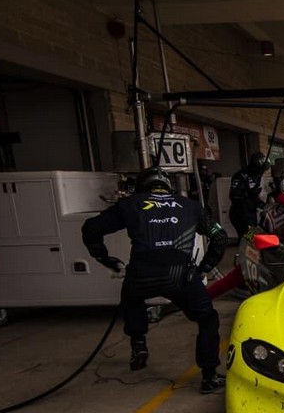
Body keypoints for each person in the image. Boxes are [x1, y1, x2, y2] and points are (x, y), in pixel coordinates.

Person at [82, 167, 229, 394]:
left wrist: (108, 260)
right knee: (208, 320)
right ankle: (209, 377)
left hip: (142, 275)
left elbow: (90, 228)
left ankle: (138, 342)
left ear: (142, 187)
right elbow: (219, 237)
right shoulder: (190, 206)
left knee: (131, 296)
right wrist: (204, 268)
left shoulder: (131, 203)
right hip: (181, 277)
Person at [228, 152, 269, 239]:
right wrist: (247, 194)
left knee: (254, 238)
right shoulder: (240, 176)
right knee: (248, 239)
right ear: (254, 166)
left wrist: (263, 205)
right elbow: (233, 195)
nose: (261, 172)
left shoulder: (256, 176)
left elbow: (254, 198)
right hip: (240, 214)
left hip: (251, 213)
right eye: (260, 170)